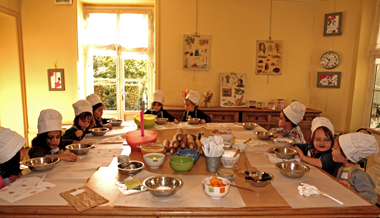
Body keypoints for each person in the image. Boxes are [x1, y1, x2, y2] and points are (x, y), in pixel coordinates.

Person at [332, 132, 379, 204]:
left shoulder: (358, 175)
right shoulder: (341, 169)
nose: (332, 149)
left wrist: (351, 192)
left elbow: (372, 196)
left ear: (346, 156)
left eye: (335, 148)